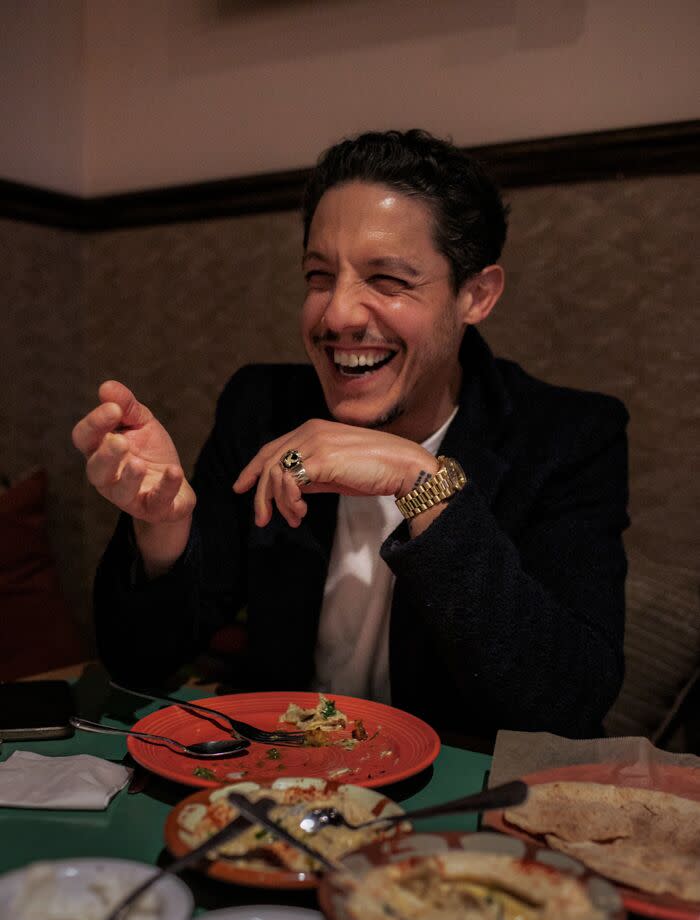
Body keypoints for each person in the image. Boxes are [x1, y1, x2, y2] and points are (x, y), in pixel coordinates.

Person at [73, 129, 629, 742]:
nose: (337, 314)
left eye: (387, 281)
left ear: (475, 295)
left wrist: (423, 484)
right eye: (318, 276)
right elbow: (141, 664)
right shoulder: (263, 408)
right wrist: (162, 529)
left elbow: (568, 703)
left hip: (456, 811)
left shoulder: (567, 437)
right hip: (278, 788)